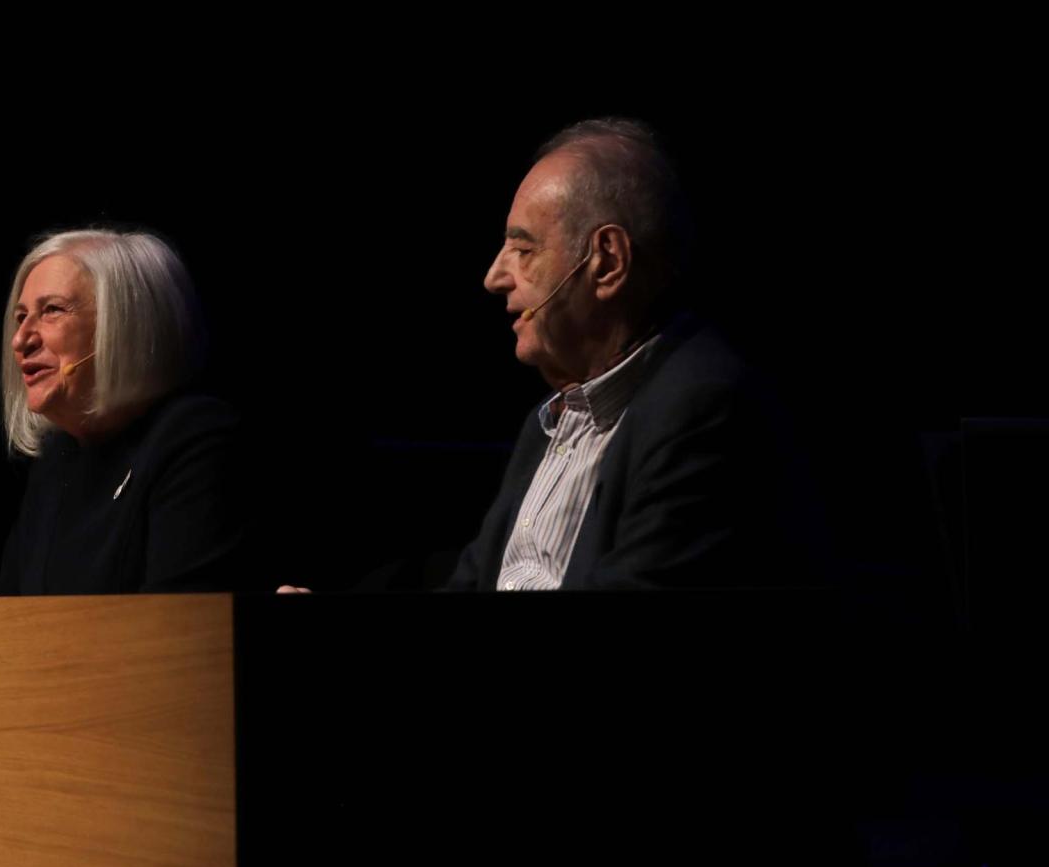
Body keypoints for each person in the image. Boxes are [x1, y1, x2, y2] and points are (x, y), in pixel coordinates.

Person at [282, 117, 826, 592]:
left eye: (523, 249)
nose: (495, 277)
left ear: (607, 262)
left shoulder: (704, 408)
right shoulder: (551, 421)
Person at [0, 229, 244, 594]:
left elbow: (173, 627)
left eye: (52, 311)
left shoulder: (193, 439)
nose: (21, 339)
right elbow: (5, 615)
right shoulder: (56, 462)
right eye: (21, 316)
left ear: (126, 324)